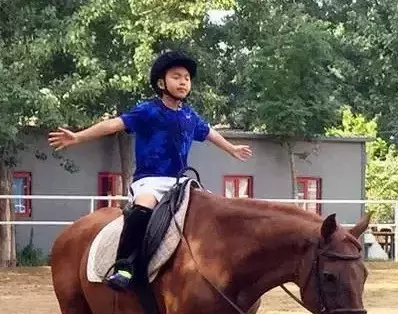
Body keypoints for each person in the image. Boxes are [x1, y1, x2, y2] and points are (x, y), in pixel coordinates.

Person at [48, 50, 253, 291]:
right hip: (150, 181)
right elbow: (113, 124)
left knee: (213, 210)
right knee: (142, 208)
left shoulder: (189, 115)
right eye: (176, 76)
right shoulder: (148, 111)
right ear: (161, 82)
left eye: (187, 78)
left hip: (181, 181)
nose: (183, 82)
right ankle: (124, 266)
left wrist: (231, 149)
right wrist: (79, 137)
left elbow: (209, 133)